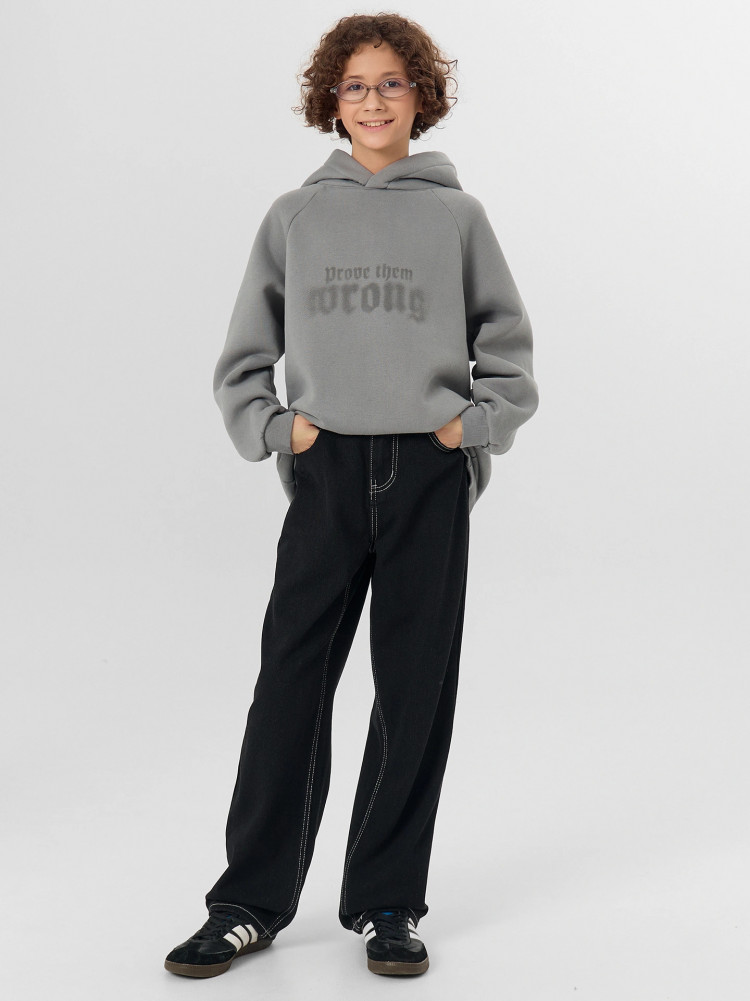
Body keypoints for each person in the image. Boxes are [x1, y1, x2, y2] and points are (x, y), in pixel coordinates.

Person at [164, 11, 539, 980]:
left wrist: (469, 428)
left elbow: (507, 348)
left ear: (422, 97)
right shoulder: (295, 216)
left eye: (392, 83)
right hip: (326, 472)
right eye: (356, 85)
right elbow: (244, 354)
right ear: (331, 101)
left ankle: (386, 901)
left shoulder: (458, 217)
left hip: (427, 475)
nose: (374, 101)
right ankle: (247, 902)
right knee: (289, 685)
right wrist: (277, 429)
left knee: (413, 692)